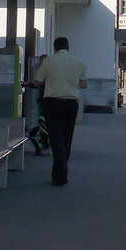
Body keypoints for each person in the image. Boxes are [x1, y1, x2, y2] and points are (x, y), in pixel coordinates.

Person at [30, 37, 87, 186]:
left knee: (56, 138)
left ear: (55, 48)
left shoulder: (48, 61)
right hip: (71, 104)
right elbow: (83, 84)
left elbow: (37, 82)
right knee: (67, 138)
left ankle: (59, 173)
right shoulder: (79, 62)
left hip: (52, 104)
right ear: (68, 47)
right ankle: (62, 173)